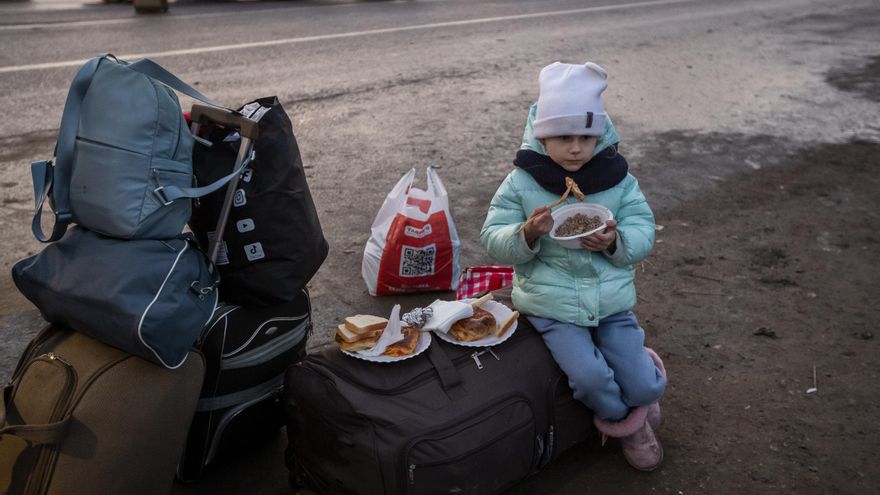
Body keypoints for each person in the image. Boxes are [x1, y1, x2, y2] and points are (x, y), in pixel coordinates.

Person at [480, 61, 667, 471]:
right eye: (564, 137)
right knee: (592, 380)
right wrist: (528, 233)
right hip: (553, 308)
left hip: (611, 302)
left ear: (600, 134)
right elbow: (492, 235)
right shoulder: (522, 182)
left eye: (586, 136)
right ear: (543, 134)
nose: (577, 148)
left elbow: (642, 226)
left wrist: (615, 241)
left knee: (640, 380)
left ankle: (644, 386)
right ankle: (628, 426)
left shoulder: (617, 178)